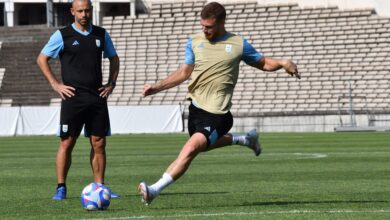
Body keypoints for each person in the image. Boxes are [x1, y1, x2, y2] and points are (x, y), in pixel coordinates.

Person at [138, 2, 300, 205]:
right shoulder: (195, 41)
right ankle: (245, 140)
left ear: (222, 23)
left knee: (191, 148)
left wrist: (284, 63)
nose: (204, 30)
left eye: (209, 27)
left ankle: (154, 190)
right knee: (201, 146)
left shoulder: (238, 44)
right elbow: (184, 72)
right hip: (196, 109)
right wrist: (157, 87)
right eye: (202, 26)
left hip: (218, 113)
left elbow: (264, 63)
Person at [37, 0, 120, 200]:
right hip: (72, 97)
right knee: (67, 142)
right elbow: (41, 59)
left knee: (99, 143)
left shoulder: (101, 34)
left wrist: (111, 83)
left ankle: (100, 187)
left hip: (97, 96)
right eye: (80, 11)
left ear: (91, 11)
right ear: (72, 11)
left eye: (87, 11)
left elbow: (114, 58)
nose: (84, 14)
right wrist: (56, 84)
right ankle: (61, 187)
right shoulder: (62, 35)